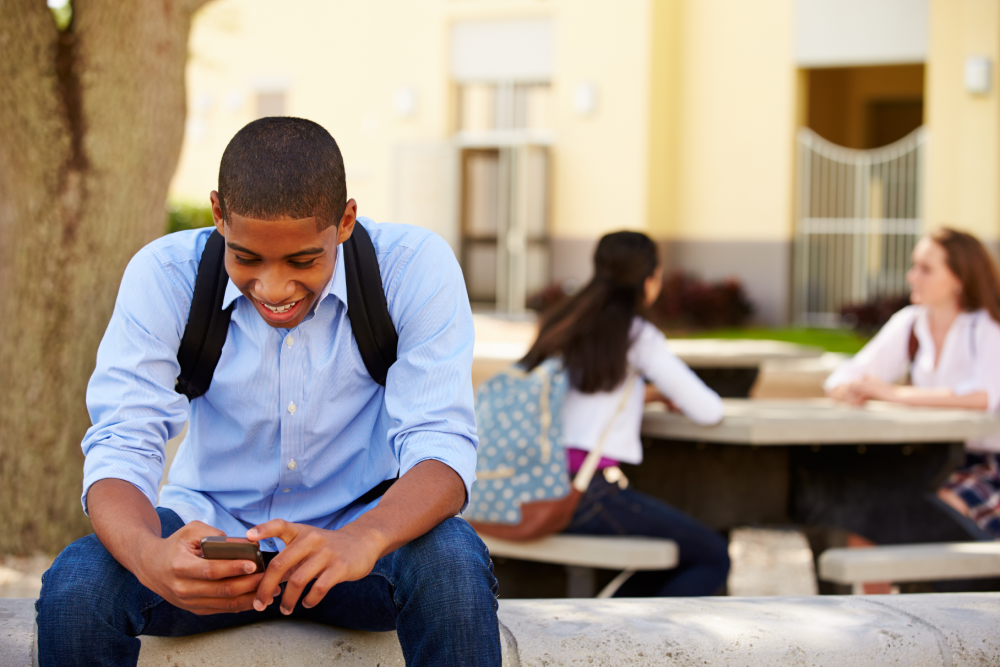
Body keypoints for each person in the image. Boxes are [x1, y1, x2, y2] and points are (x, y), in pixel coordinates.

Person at [35, 118, 500, 666]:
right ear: (218, 215)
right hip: (210, 545)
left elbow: (441, 445)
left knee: (451, 564)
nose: (274, 289)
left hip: (362, 552)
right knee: (77, 585)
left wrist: (363, 538)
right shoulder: (164, 276)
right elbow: (122, 443)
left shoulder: (412, 267)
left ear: (345, 221)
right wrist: (149, 556)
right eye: (246, 258)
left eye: (304, 260)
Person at [519, 231, 731, 596]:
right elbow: (709, 410)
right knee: (712, 555)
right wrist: (660, 393)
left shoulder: (560, 323)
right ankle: (621, 636)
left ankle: (610, 626)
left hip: (528, 484)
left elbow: (581, 388)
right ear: (648, 281)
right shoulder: (636, 334)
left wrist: (642, 395)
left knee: (678, 550)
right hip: (584, 493)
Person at [825, 228, 1000, 539]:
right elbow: (844, 376)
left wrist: (894, 394)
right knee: (863, 514)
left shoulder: (987, 325)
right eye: (914, 266)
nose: (912, 276)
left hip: (985, 463)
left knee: (936, 514)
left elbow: (983, 396)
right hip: (927, 457)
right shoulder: (910, 323)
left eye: (925, 269)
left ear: (959, 279)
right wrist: (851, 389)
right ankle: (869, 590)